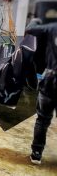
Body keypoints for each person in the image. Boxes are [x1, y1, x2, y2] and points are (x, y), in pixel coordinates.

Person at [25, 20, 57, 164]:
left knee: (42, 120)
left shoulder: (52, 28)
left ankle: (36, 154)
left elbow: (30, 29)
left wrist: (36, 21)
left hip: (51, 79)